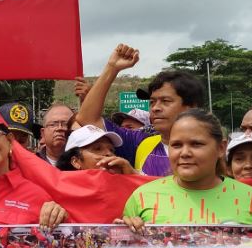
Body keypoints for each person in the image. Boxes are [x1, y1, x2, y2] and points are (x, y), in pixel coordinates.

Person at [121, 109, 252, 227]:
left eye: (196, 144)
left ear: (221, 148)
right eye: (176, 145)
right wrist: (125, 235)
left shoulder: (251, 198)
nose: (185, 153)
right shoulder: (142, 197)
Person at [77, 44, 206, 176]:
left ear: (192, 107)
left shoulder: (212, 148)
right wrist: (112, 67)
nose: (155, 108)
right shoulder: (141, 143)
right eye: (152, 102)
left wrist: (136, 176)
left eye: (166, 101)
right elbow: (87, 118)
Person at [56, 124, 136, 174]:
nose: (109, 153)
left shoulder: (123, 186)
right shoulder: (60, 195)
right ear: (76, 162)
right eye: (97, 149)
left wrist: (132, 176)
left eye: (112, 150)